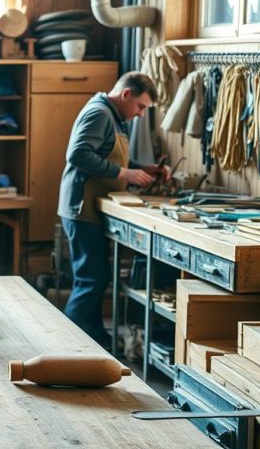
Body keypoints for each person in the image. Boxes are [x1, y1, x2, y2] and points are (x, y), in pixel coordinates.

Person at [57, 72, 170, 349]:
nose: (141, 114)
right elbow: (79, 154)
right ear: (126, 95)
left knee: (97, 277)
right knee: (90, 279)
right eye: (141, 107)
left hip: (94, 206)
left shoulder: (114, 116)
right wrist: (124, 173)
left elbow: (108, 152)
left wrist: (143, 168)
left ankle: (94, 340)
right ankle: (65, 345)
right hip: (81, 207)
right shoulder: (100, 113)